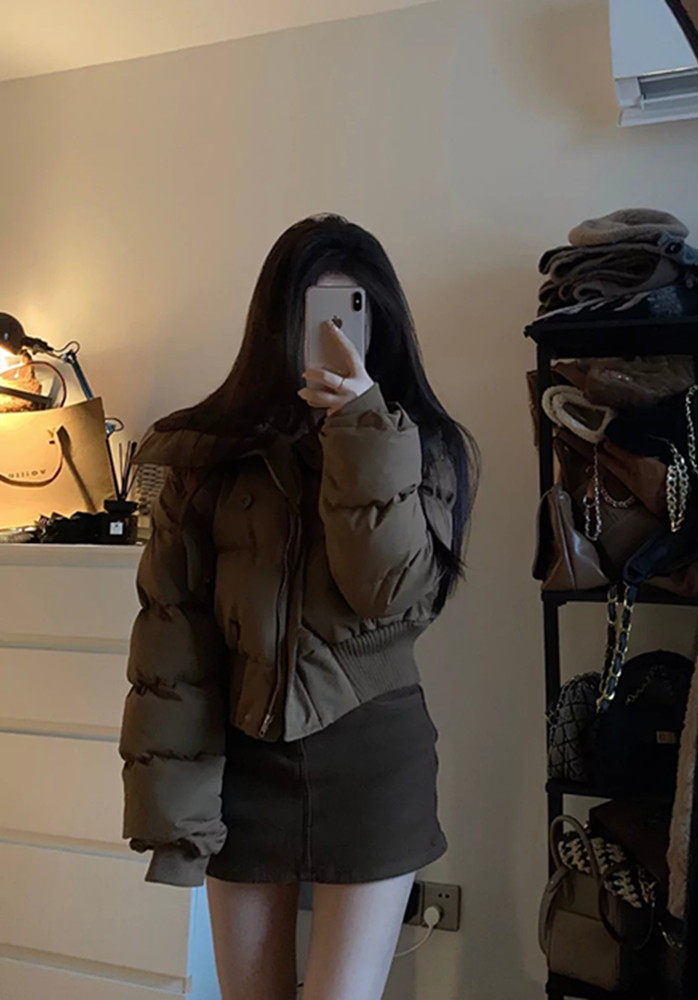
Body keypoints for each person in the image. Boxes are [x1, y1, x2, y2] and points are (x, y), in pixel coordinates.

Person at [118, 213, 480, 1000]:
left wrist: (363, 429)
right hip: (247, 766)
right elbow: (173, 644)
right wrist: (173, 818)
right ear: (275, 328)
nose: (331, 337)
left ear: (381, 323)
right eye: (313, 318)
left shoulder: (422, 444)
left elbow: (387, 594)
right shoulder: (205, 457)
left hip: (373, 763)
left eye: (349, 315)